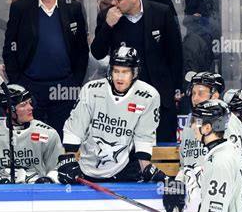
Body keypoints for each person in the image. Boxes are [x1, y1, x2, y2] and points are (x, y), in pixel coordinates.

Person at [3, 0, 89, 139]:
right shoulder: (21, 8)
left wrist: (75, 81)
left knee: (63, 139)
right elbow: (9, 48)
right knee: (30, 140)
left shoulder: (72, 7)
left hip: (65, 86)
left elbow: (82, 49)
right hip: (30, 87)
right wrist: (17, 83)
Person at [90, 0, 183, 143]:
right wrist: (108, 25)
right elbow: (97, 52)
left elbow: (175, 54)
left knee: (162, 146)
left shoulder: (161, 13)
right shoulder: (107, 16)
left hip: (159, 96)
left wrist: (175, 89)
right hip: (123, 99)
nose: (113, 3)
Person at [56, 46, 164, 184]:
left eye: (125, 72)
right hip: (88, 166)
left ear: (134, 73)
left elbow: (143, 137)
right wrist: (69, 159)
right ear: (110, 71)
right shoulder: (91, 90)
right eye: (116, 71)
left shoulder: (148, 96)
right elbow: (75, 127)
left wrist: (146, 169)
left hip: (124, 169)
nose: (119, 77)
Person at [163, 71, 242, 212]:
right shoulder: (191, 122)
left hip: (220, 204)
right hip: (196, 206)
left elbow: (238, 168)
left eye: (201, 93)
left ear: (215, 95)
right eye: (193, 93)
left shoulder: (227, 121)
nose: (195, 98)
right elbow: (187, 165)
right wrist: (178, 184)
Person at [0, 84, 63, 184]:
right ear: (9, 110)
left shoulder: (48, 133)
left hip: (38, 192)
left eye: (30, 102)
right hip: (2, 193)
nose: (30, 108)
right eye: (23, 104)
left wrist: (48, 179)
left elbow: (57, 167)